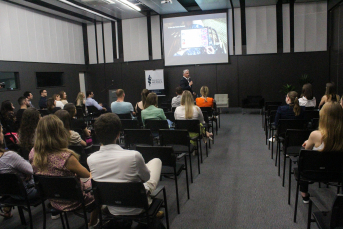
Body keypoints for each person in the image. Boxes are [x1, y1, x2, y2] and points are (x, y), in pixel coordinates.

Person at [87, 113, 162, 216]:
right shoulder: (134, 156)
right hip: (139, 206)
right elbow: (146, 178)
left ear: (96, 134)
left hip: (112, 207)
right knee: (156, 161)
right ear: (118, 134)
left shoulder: (91, 159)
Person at [29, 115, 98, 227]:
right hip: (75, 200)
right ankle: (93, 222)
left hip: (53, 199)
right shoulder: (65, 157)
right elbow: (87, 175)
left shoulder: (33, 153)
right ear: (59, 132)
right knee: (97, 183)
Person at [300, 102, 343, 203]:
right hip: (338, 173)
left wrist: (308, 142)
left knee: (303, 159)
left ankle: (304, 194)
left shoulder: (315, 135)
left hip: (316, 173)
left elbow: (307, 152)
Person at [0, 123, 39, 219]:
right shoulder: (9, 156)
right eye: (1, 132)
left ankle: (7, 207)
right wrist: (26, 171)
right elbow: (31, 170)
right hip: (28, 192)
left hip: (9, 194)